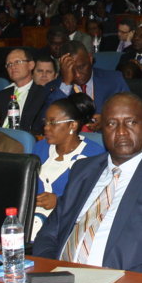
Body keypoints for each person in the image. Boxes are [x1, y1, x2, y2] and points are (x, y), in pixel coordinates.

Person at [32, 93, 142, 278]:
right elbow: (49, 233)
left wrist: (118, 282)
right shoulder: (84, 169)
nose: (121, 132)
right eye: (111, 124)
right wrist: (50, 271)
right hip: (58, 280)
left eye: (131, 122)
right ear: (102, 130)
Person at [31, 93, 104, 239]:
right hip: (32, 221)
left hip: (68, 227)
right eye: (45, 122)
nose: (46, 128)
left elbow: (96, 200)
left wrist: (59, 202)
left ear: (72, 125)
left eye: (53, 123)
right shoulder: (40, 148)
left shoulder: (94, 154)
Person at [40, 41, 130, 119]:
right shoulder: (53, 88)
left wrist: (106, 120)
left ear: (90, 59)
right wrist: (66, 84)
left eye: (81, 67)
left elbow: (130, 111)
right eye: (71, 70)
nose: (78, 74)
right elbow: (48, 120)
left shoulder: (114, 80)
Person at [0, 46, 50, 134]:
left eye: (17, 62)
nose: (12, 67)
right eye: (9, 64)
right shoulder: (0, 96)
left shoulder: (43, 94)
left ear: (31, 65)